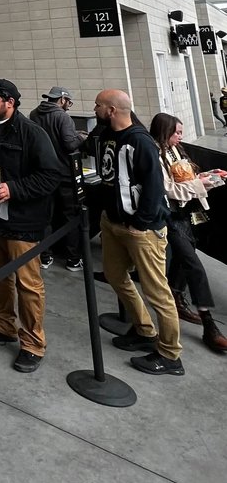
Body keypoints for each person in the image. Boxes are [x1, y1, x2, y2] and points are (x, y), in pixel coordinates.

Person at [94, 89, 185, 376]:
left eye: (98, 106)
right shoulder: (108, 134)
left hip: (141, 230)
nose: (93, 109)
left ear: (111, 110)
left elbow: (154, 187)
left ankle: (170, 354)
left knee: (158, 292)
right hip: (113, 223)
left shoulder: (140, 142)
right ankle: (144, 330)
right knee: (115, 276)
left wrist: (141, 222)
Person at [0, 78, 60, 373]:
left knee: (28, 285)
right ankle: (3, 325)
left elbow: (52, 175)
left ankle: (33, 343)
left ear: (9, 102)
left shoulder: (32, 134)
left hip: (23, 222)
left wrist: (15, 189)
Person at [148, 112, 227, 354]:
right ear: (165, 131)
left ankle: (178, 295)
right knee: (193, 265)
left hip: (186, 214)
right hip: (169, 216)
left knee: (185, 260)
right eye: (177, 132)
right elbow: (168, 189)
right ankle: (208, 321)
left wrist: (205, 178)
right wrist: (199, 184)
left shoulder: (177, 151)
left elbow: (187, 180)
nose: (180, 137)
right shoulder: (155, 154)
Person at [29, 85, 85, 272]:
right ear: (62, 100)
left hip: (42, 174)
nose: (69, 105)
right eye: (68, 102)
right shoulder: (63, 117)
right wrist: (82, 138)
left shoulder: (34, 114)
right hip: (64, 175)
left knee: (46, 216)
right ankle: (73, 259)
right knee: (70, 217)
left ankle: (45, 256)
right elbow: (69, 144)